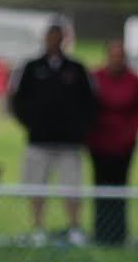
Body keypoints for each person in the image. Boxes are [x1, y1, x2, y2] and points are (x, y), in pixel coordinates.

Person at [8, 22, 95, 244]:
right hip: (39, 140)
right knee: (36, 185)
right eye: (50, 37)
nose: (54, 41)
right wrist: (33, 124)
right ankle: (38, 228)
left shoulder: (76, 69)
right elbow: (17, 101)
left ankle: (74, 227)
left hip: (69, 143)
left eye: (58, 37)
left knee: (72, 187)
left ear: (64, 40)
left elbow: (90, 102)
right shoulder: (31, 68)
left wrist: (79, 128)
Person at [85, 39, 138, 246]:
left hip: (124, 145)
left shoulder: (133, 80)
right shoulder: (95, 78)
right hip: (99, 143)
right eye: (113, 56)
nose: (116, 60)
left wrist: (130, 134)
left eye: (120, 56)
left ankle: (118, 233)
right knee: (101, 187)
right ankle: (101, 232)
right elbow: (86, 107)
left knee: (120, 188)